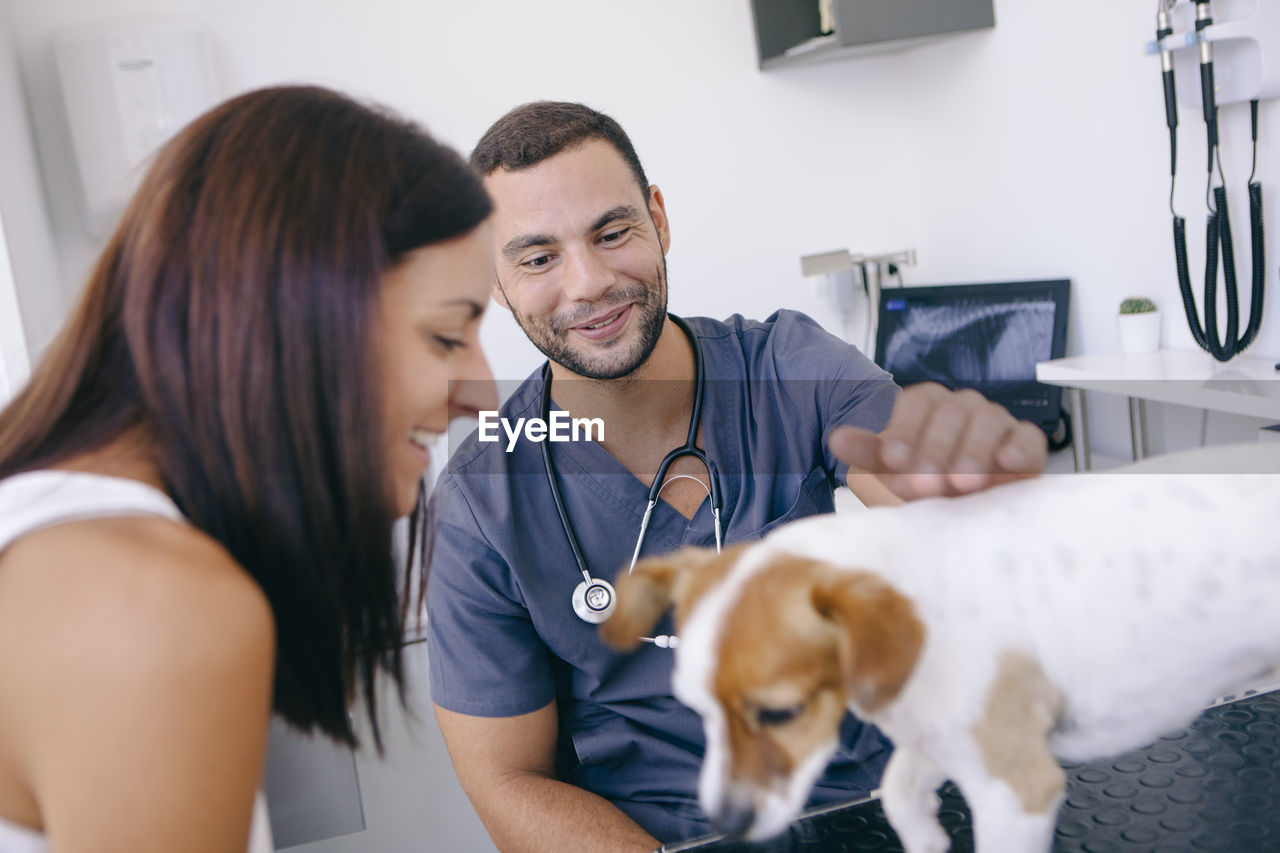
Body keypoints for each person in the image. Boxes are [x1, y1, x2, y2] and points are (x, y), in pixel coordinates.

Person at [426, 101, 1048, 850]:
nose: (587, 282)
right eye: (537, 257)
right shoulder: (480, 503)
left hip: (883, 813)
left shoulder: (789, 368)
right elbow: (506, 779)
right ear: (494, 277)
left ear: (658, 218)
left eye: (612, 231)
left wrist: (963, 492)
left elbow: (921, 481)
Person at [0, 85, 496, 853]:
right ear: (298, 317)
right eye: (445, 336)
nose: (484, 392)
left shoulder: (50, 530)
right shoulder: (151, 604)